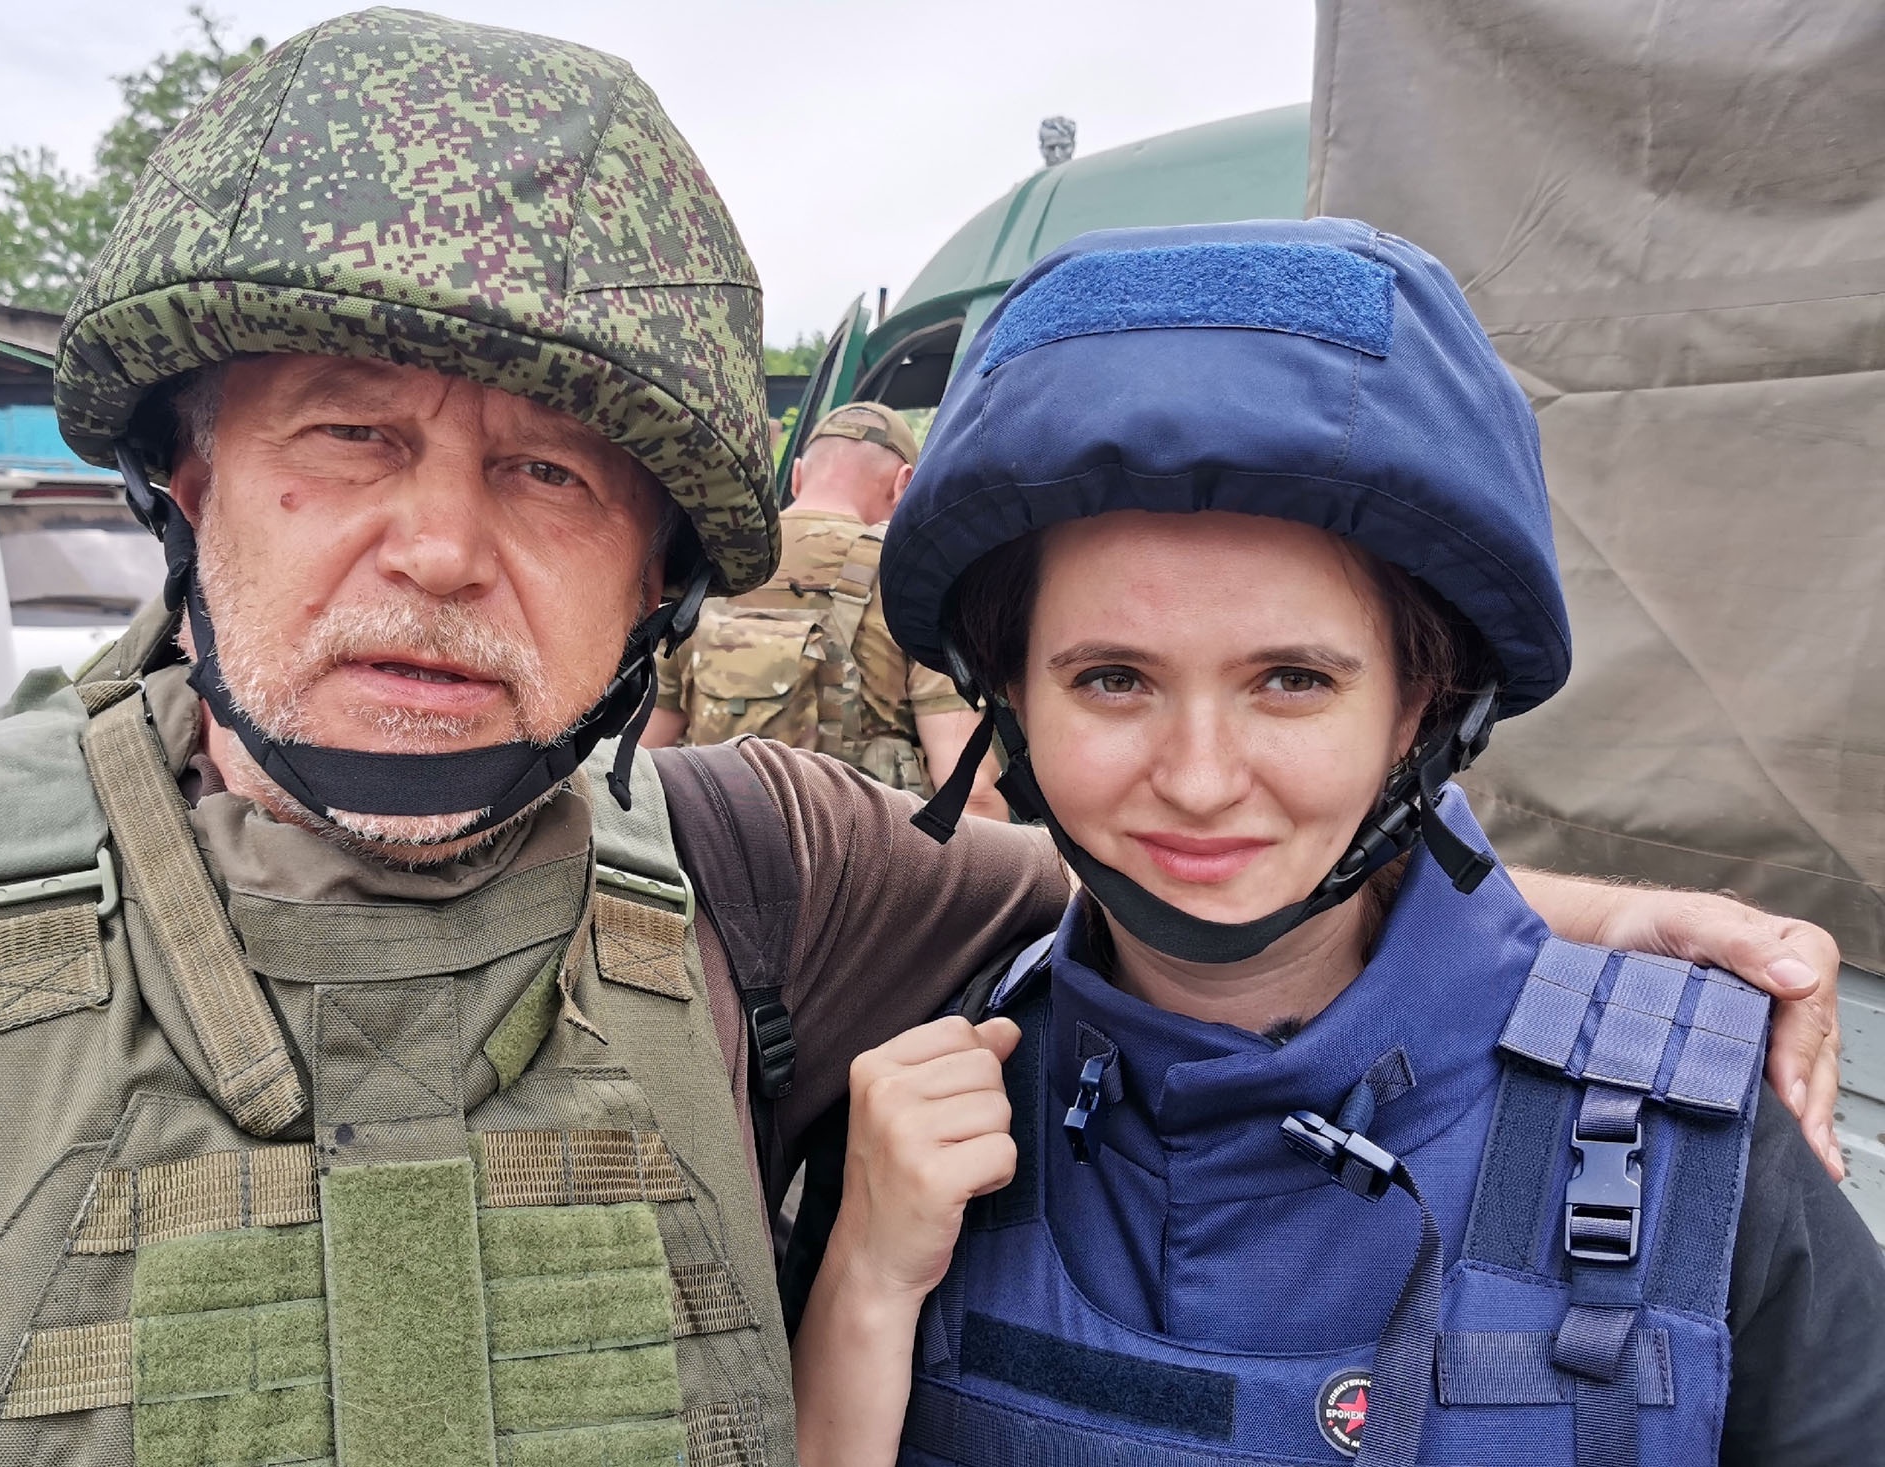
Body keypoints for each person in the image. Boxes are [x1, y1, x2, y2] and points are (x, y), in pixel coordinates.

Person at [0, 17, 1844, 1466]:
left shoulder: (757, 876)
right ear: (186, 483)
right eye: (344, 437)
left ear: (657, 574)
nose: (435, 548)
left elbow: (1199, 878)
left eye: (547, 475)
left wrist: (1601, 936)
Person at [792, 222, 1885, 1466]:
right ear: (1012, 704)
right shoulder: (913, 1113)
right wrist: (863, 1285)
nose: (1199, 779)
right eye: (1112, 679)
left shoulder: (1695, 1151)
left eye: (1292, 680)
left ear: (1419, 706)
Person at [645, 401, 1008, 822]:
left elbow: (646, 753)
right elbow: (969, 792)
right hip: (861, 851)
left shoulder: (717, 569)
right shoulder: (912, 578)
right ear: (904, 484)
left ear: (797, 476)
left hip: (713, 841)